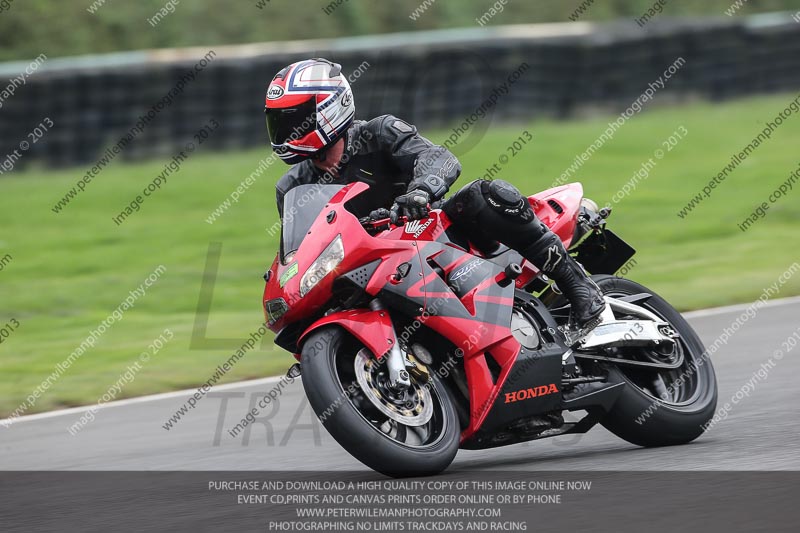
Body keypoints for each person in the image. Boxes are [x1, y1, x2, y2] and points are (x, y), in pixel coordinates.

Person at [265, 58, 606, 337]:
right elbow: (304, 245)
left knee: (479, 196)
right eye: (278, 122)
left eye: (293, 120)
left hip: (434, 236)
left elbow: (439, 159)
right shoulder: (292, 187)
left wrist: (420, 190)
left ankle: (578, 286)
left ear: (328, 108)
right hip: (372, 266)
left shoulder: (379, 133)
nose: (283, 132)